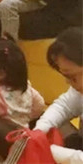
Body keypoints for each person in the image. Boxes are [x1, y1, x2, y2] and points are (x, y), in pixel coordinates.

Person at [36, 27, 83, 163]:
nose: (68, 82)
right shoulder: (78, 90)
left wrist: (49, 150)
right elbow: (64, 106)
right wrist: (39, 130)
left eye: (72, 76)